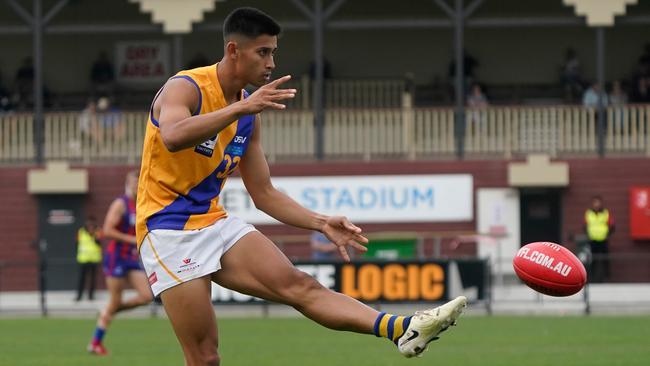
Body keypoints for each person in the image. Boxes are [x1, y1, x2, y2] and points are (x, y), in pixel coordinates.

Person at [136, 7, 466, 365]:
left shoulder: (248, 118)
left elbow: (264, 194)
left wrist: (321, 222)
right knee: (205, 357)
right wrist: (240, 109)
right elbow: (172, 136)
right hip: (167, 229)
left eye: (273, 52)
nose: (272, 63)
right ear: (234, 51)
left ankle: (403, 328)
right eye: (263, 52)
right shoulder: (186, 87)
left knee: (301, 285)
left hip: (212, 221)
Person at [88, 171, 153, 355]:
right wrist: (132, 240)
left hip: (131, 259)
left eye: (139, 183)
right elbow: (107, 230)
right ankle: (95, 343)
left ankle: (108, 311)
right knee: (115, 300)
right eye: (133, 183)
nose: (136, 186)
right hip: (116, 257)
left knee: (147, 296)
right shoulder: (120, 204)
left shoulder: (142, 204)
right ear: (127, 184)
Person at [584, 196, 615, 283]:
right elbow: (585, 225)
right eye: (595, 203)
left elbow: (612, 225)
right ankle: (592, 278)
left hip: (603, 240)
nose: (596, 205)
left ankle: (606, 278)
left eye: (598, 203)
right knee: (593, 259)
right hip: (593, 240)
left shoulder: (605, 213)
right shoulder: (588, 213)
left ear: (601, 203)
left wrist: (607, 234)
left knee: (605, 259)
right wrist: (588, 235)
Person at [75, 216, 102, 301]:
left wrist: (94, 235)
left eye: (92, 223)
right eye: (89, 223)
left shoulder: (98, 232)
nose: (90, 225)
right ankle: (79, 296)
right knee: (81, 279)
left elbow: (99, 243)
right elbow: (76, 244)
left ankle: (91, 296)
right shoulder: (81, 232)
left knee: (93, 279)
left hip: (94, 259)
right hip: (83, 259)